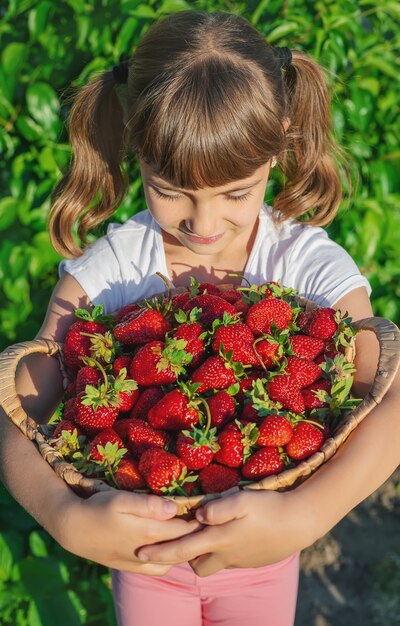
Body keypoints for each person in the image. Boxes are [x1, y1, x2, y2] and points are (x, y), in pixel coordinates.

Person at [0, 9, 399, 626]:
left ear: (279, 148)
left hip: (263, 551)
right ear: (137, 152)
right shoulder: (109, 271)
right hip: (146, 559)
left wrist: (307, 515)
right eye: (171, 189)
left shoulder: (306, 264)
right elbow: (17, 411)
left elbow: (392, 399)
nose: (204, 223)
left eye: (236, 193)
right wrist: (63, 515)